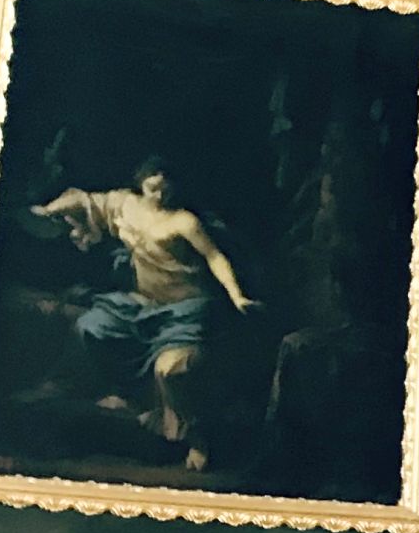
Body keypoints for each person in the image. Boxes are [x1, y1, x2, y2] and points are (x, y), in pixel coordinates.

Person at [32, 166, 255, 465]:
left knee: (171, 370)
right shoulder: (127, 206)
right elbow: (86, 201)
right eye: (153, 189)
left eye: (166, 189)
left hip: (184, 311)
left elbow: (214, 256)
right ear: (141, 184)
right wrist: (48, 210)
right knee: (91, 327)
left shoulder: (184, 221)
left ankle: (196, 439)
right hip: (142, 306)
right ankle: (130, 398)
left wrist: (236, 295)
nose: (160, 196)